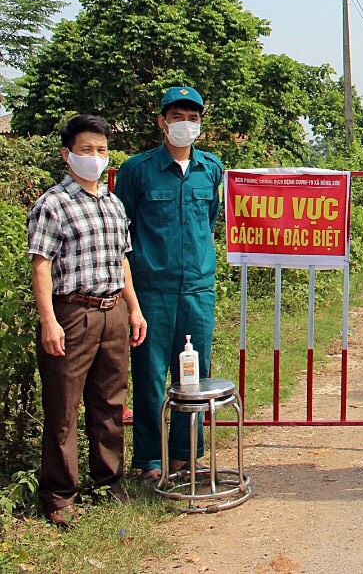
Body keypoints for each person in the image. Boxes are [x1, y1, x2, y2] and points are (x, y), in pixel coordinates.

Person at [28, 115, 147, 528]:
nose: (94, 157)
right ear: (67, 154)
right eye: (85, 149)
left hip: (112, 309)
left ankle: (109, 482)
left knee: (111, 403)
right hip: (72, 313)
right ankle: (60, 495)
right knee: (63, 407)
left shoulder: (113, 204)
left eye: (100, 150)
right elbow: (41, 267)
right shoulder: (52, 204)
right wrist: (49, 321)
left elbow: (122, 260)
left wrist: (133, 307)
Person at [115, 86, 222, 482]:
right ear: (162, 121)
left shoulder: (210, 168)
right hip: (151, 291)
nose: (185, 124)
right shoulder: (137, 169)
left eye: (193, 118)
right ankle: (148, 461)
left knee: (193, 377)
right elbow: (120, 231)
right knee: (148, 376)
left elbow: (209, 220)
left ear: (200, 125)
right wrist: (132, 299)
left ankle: (185, 456)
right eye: (178, 116)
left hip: (197, 290)